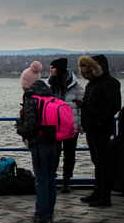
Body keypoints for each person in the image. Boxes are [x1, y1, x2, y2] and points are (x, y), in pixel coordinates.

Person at [76, 55, 121, 207]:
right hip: (91, 128)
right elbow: (93, 104)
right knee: (96, 161)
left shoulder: (110, 83)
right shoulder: (91, 85)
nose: (86, 75)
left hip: (101, 128)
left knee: (104, 162)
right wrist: (83, 105)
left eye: (88, 72)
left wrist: (100, 119)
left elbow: (114, 105)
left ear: (95, 69)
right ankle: (98, 191)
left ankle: (105, 196)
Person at [17, 62, 56, 223]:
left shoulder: (32, 100)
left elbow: (30, 127)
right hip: (54, 141)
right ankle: (48, 216)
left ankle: (38, 218)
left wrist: (19, 129)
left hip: (39, 144)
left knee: (41, 181)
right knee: (50, 179)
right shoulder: (50, 96)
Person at [46, 58, 85, 193]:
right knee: (53, 154)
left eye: (52, 68)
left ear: (59, 69)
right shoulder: (49, 85)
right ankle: (52, 179)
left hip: (71, 125)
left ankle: (66, 181)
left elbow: (81, 107)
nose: (50, 71)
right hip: (54, 126)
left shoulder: (76, 86)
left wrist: (81, 124)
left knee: (69, 155)